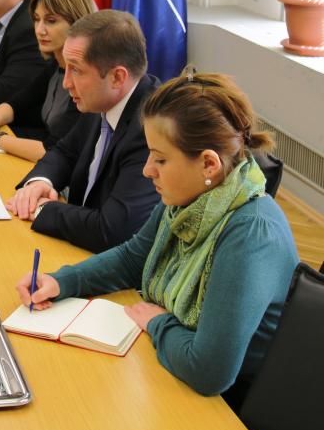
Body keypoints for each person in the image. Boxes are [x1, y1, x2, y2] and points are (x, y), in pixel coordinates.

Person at [16, 71, 299, 405]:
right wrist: (63, 281)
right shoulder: (193, 197)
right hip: (174, 368)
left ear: (208, 163)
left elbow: (210, 372)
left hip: (232, 408)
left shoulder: (251, 234)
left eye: (161, 159)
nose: (147, 169)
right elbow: (134, 259)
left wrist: (158, 323)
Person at [7, 10, 161, 252]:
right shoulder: (101, 100)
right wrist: (39, 183)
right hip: (77, 247)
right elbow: (64, 152)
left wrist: (42, 209)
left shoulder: (150, 129)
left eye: (76, 70)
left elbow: (111, 230)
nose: (66, 82)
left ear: (117, 77)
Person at [0, 0, 95, 161]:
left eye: (51, 21)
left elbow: (52, 151)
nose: (40, 30)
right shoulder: (54, 66)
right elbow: (15, 104)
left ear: (77, 23)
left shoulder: (87, 79)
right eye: (36, 20)